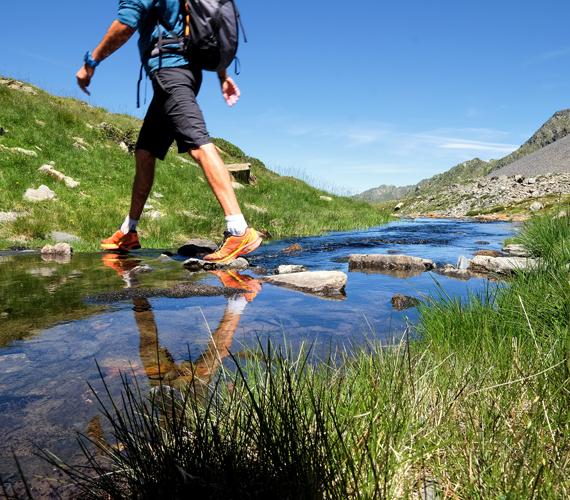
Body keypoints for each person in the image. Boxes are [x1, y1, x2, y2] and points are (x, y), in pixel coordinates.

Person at [75, 0, 262, 263]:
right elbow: (201, 24)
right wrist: (222, 75)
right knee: (145, 151)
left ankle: (239, 230)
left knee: (198, 143)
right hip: (180, 72)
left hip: (170, 72)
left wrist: (90, 62)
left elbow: (126, 24)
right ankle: (129, 231)